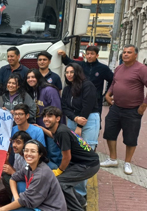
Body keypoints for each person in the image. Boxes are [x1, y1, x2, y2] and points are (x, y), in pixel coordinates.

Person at [0, 139, 67, 211]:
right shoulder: (29, 166)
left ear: (40, 154)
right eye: (26, 151)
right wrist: (16, 196)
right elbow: (13, 178)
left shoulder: (41, 174)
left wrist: (2, 209)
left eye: (33, 151)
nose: (28, 154)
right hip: (41, 203)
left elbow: (23, 200)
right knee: (19, 185)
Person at [42, 106, 100, 211]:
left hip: (88, 165)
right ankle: (81, 202)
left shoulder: (62, 132)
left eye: (49, 116)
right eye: (44, 116)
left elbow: (67, 157)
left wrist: (59, 171)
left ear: (58, 118)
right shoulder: (59, 129)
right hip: (85, 162)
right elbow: (53, 135)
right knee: (65, 181)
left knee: (60, 182)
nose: (46, 119)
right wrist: (41, 128)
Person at [101, 44, 147, 175]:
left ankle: (127, 162)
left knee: (130, 138)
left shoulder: (141, 69)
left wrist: (144, 106)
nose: (125, 54)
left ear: (135, 55)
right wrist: (108, 94)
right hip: (116, 108)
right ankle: (112, 159)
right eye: (124, 52)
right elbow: (114, 83)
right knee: (109, 133)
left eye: (129, 52)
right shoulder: (119, 68)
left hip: (133, 110)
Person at [58, 45, 113, 115]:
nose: (89, 56)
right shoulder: (80, 65)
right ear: (85, 55)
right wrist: (64, 55)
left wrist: (106, 94)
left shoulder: (103, 68)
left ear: (97, 55)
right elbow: (69, 62)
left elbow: (112, 80)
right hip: (80, 98)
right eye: (87, 54)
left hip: (96, 100)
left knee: (95, 119)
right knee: (80, 116)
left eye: (92, 54)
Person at [24, 69, 62, 169]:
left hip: (52, 131)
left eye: (33, 77)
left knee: (54, 157)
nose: (30, 79)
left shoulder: (49, 90)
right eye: (28, 77)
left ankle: (59, 181)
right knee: (45, 156)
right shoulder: (35, 91)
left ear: (38, 78)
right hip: (41, 130)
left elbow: (56, 111)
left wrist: (54, 131)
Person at [61, 63, 99, 147]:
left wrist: (79, 126)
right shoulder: (67, 89)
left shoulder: (87, 85)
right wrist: (75, 118)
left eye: (72, 72)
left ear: (78, 72)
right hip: (73, 119)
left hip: (89, 118)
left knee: (87, 147)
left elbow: (88, 106)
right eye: (67, 72)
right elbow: (64, 106)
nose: (69, 75)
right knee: (74, 147)